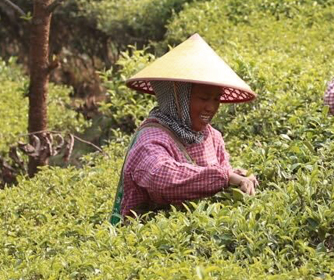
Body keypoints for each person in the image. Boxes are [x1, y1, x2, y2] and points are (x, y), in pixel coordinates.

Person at [110, 33, 258, 222]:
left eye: (216, 99)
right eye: (203, 98)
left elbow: (222, 175)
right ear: (177, 99)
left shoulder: (212, 136)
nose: (211, 108)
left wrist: (239, 178)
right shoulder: (151, 140)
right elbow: (162, 179)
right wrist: (225, 177)